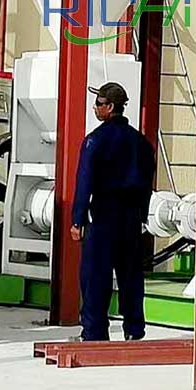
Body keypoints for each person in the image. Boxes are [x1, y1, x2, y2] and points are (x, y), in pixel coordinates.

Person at [71, 82, 156, 342]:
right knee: (130, 275)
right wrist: (141, 217)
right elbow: (147, 182)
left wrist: (78, 219)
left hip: (103, 215)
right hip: (130, 217)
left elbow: (84, 182)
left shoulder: (94, 141)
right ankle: (134, 330)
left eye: (98, 103)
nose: (95, 108)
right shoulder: (141, 143)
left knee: (96, 276)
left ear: (109, 107)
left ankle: (94, 333)